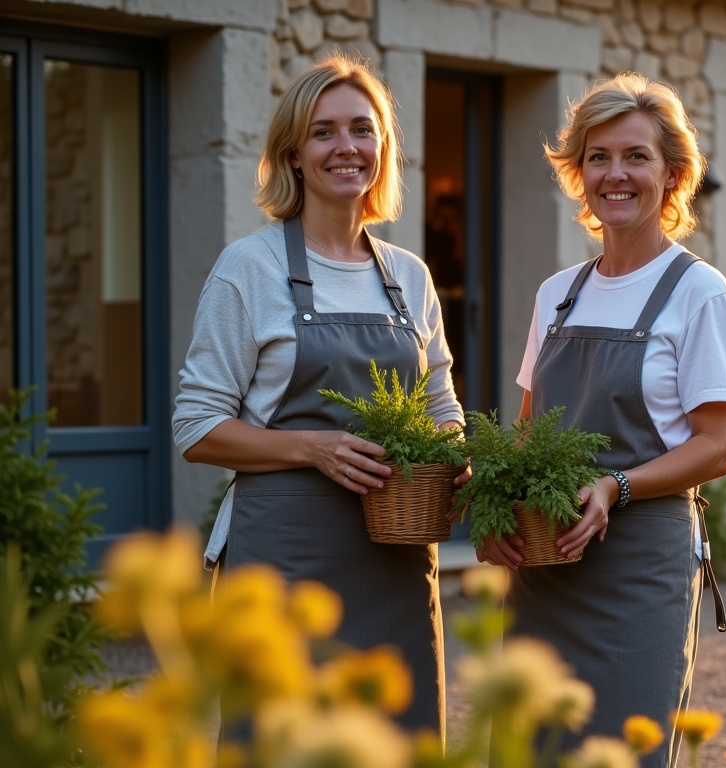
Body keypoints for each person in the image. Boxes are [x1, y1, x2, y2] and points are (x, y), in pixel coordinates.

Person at [172, 52, 463, 738]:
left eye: (362, 130)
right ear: (294, 154)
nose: (346, 148)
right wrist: (315, 447)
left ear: (382, 149)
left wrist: (455, 458)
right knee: (277, 740)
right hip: (283, 561)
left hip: (394, 562)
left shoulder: (409, 278)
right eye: (325, 131)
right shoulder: (249, 268)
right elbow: (195, 427)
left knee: (400, 740)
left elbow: (442, 406)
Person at [477, 72, 726, 767]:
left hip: (638, 571)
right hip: (546, 567)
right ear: (578, 171)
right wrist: (498, 510)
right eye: (598, 157)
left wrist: (614, 488)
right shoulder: (557, 295)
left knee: (626, 751)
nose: (615, 174)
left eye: (636, 157)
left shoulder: (701, 295)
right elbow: (530, 430)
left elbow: (718, 447)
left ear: (673, 174)